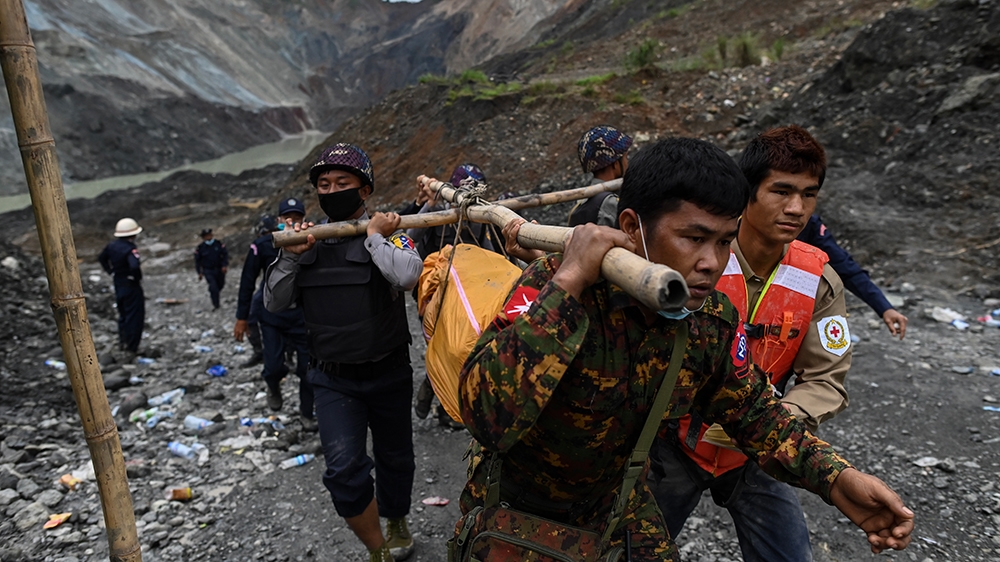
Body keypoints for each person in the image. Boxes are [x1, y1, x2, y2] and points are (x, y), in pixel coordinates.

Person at [458, 137, 913, 561]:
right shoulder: (557, 287)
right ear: (633, 227)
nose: (711, 262)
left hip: (618, 502)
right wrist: (569, 281)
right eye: (694, 239)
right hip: (519, 508)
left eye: (723, 241)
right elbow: (486, 416)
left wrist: (838, 480)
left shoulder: (708, 321)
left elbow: (758, 416)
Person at [648, 125, 853, 562]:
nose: (796, 208)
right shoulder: (697, 258)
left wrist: (781, 419)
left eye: (808, 194)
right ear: (748, 192)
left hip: (758, 449)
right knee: (629, 548)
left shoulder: (820, 281)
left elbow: (827, 377)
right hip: (675, 444)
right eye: (781, 191)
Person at [264, 143, 421, 562]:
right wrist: (290, 257)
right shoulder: (304, 244)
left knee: (396, 457)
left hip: (389, 371)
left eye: (342, 183)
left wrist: (372, 237)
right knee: (343, 470)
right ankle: (377, 550)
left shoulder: (389, 233)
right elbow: (274, 303)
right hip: (332, 379)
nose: (332, 190)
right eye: (324, 184)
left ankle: (397, 518)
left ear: (364, 190)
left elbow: (407, 275)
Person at [235, 199, 315, 428]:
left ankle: (307, 414)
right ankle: (272, 385)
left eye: (297, 218)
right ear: (279, 220)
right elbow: (247, 282)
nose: (292, 222)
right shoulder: (262, 245)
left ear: (303, 218)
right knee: (273, 366)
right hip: (272, 317)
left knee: (307, 369)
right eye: (287, 218)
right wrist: (242, 317)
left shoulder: (311, 240)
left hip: (302, 316)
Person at [798, 215, 909, 338]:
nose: (795, 208)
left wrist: (884, 307)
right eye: (782, 194)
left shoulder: (808, 223)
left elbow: (846, 268)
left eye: (808, 195)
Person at [566, 125, 632, 227]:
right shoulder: (610, 203)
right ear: (615, 164)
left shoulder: (582, 200)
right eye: (625, 158)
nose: (627, 163)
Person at [98, 218, 145, 355]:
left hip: (118, 283)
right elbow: (134, 266)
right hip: (131, 285)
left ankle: (123, 341)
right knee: (135, 315)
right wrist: (136, 278)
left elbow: (102, 258)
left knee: (123, 314)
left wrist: (111, 271)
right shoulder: (130, 249)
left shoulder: (111, 246)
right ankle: (132, 346)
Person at [194, 228, 229, 310]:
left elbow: (225, 255)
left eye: (209, 235)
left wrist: (224, 265)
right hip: (208, 270)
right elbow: (197, 261)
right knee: (213, 286)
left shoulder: (218, 244)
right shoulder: (200, 248)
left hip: (219, 269)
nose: (208, 237)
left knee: (221, 284)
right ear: (203, 238)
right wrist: (199, 272)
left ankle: (215, 293)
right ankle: (216, 304)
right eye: (206, 236)